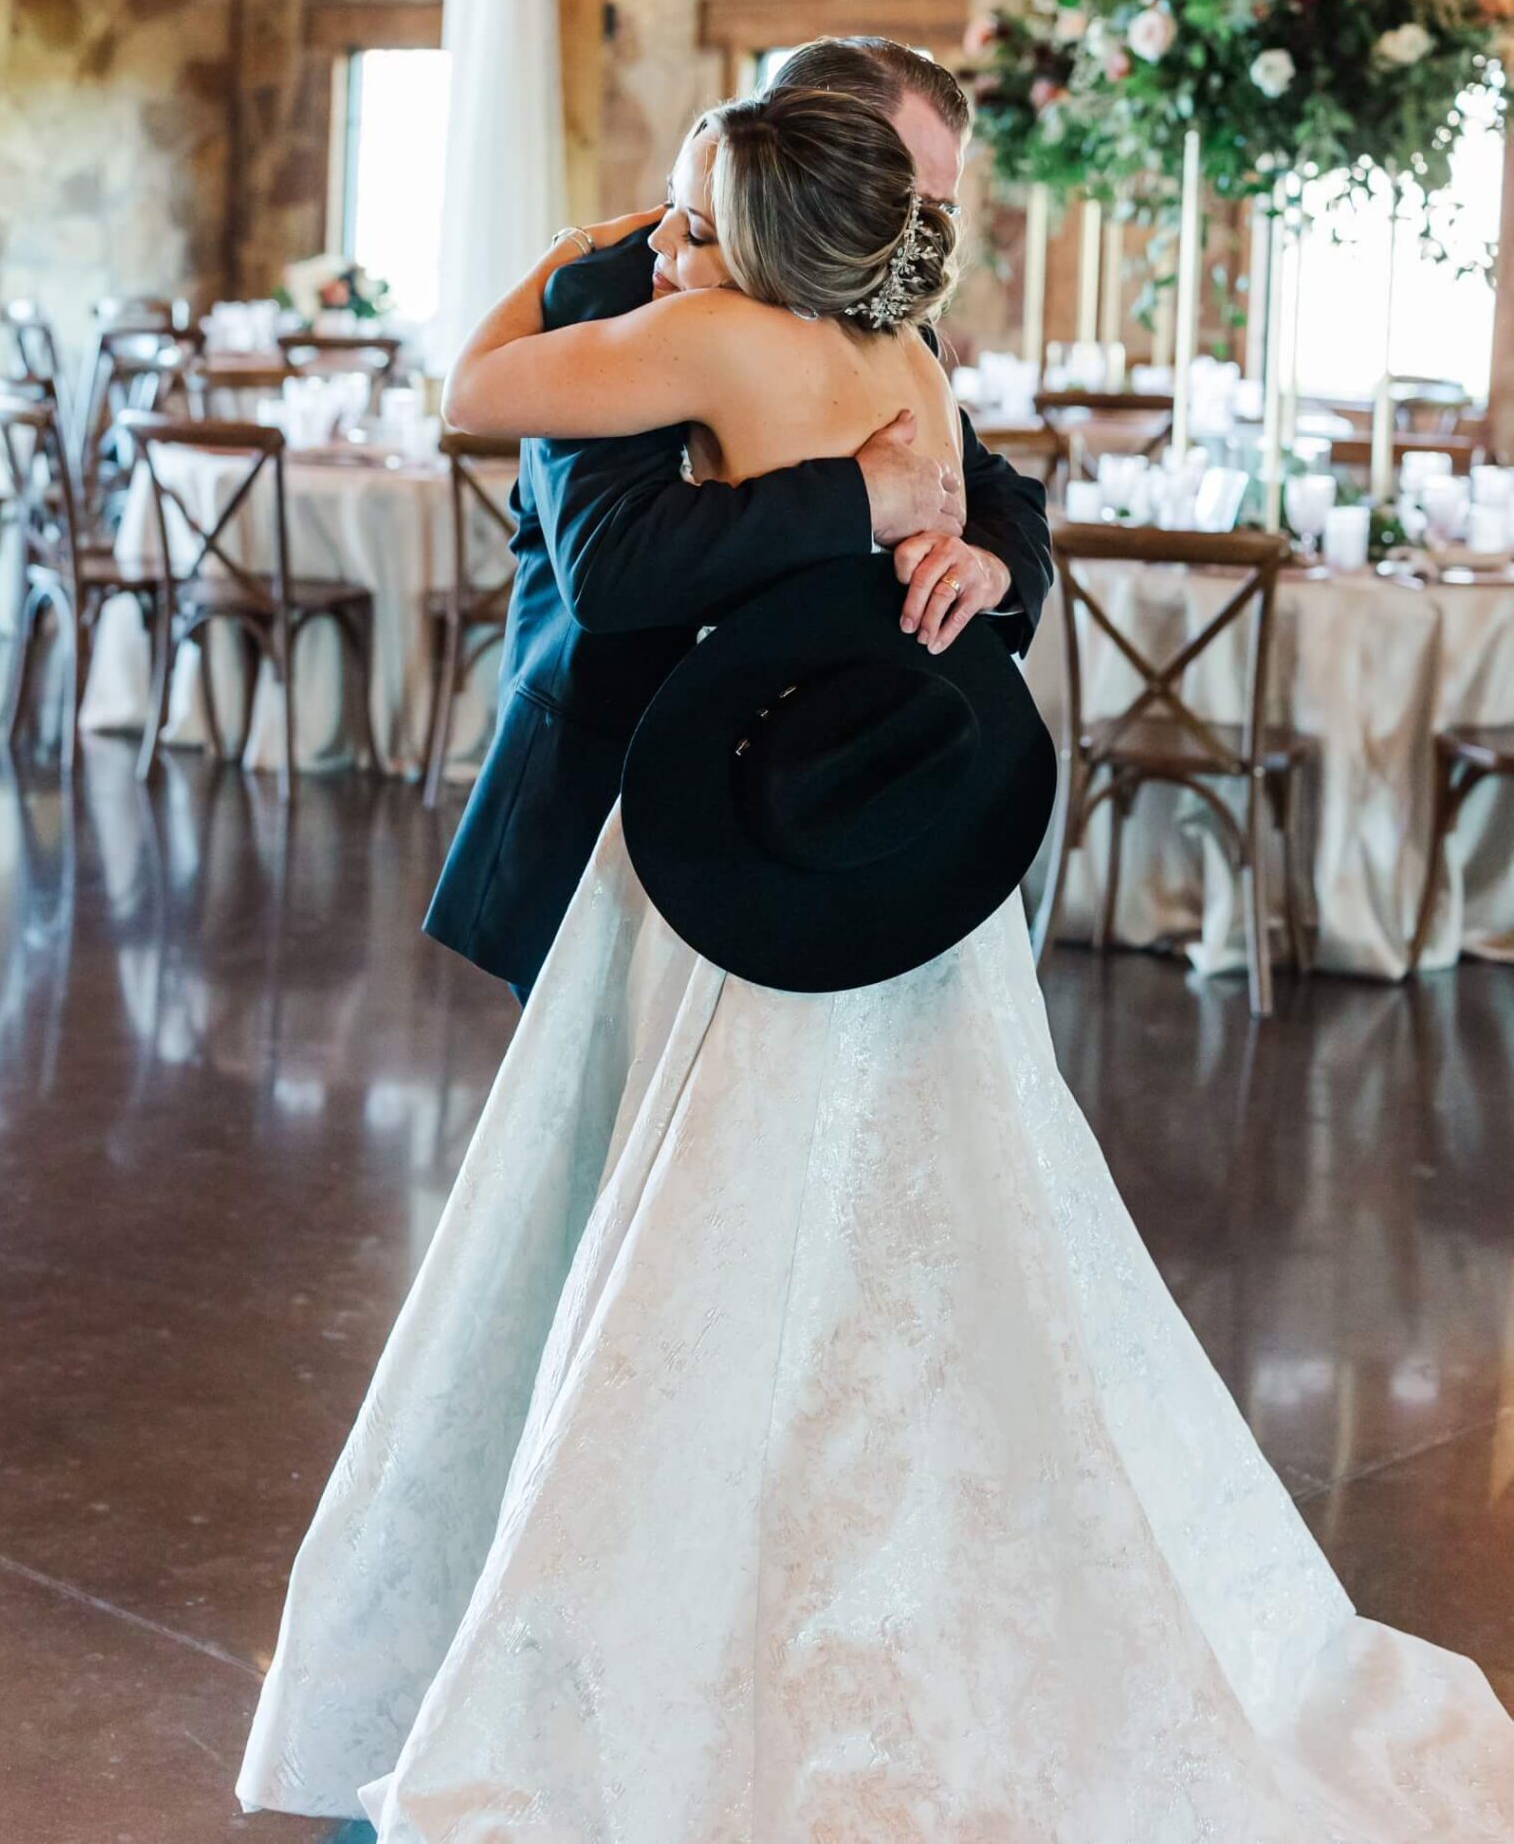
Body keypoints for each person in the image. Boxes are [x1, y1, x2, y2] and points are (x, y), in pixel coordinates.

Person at [239, 88, 1514, 1839]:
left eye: (699, 210)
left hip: (736, 838)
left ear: (752, 227)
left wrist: (575, 259)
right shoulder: (913, 354)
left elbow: (471, 388)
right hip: (904, 864)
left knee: (699, 1204)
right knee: (949, 1207)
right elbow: (848, 517)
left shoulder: (704, 336)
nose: (671, 233)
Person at [424, 36, 1051, 999]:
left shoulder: (878, 305)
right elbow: (612, 565)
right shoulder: (626, 294)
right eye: (897, 185)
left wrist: (991, 567)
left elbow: (989, 488)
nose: (904, 226)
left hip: (836, 781)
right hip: (620, 786)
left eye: (935, 207)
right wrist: (856, 500)